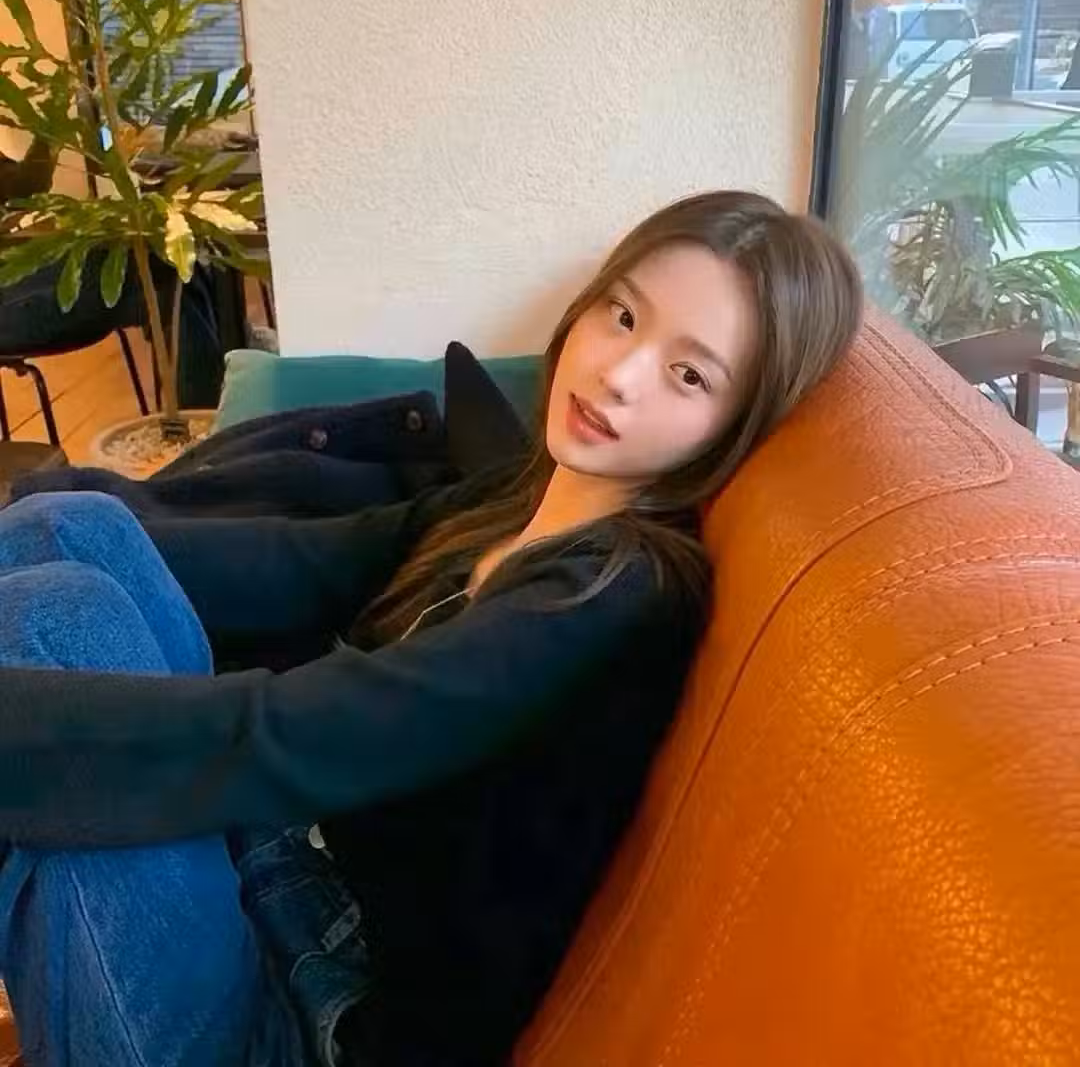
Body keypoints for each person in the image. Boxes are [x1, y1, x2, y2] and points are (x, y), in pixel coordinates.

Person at [0, 190, 862, 1066]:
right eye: (625, 315)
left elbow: (298, 736)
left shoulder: (617, 597)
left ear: (735, 426)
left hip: (325, 1013)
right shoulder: (521, 497)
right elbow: (304, 561)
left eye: (689, 376)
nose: (619, 375)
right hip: (290, 865)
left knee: (58, 629)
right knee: (70, 528)